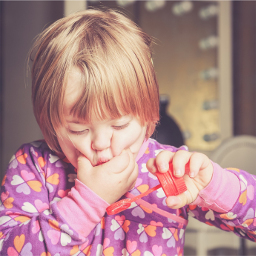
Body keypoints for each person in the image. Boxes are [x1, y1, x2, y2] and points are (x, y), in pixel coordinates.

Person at [0, 9, 255, 256]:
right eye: (78, 129)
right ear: (50, 121)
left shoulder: (168, 172)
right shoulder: (33, 167)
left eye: (119, 125)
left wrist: (216, 185)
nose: (100, 143)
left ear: (148, 113)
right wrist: (86, 203)